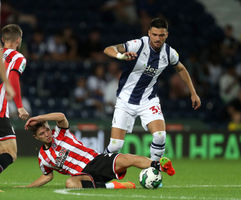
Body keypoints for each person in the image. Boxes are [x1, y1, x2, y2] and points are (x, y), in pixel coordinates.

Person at [103, 18, 201, 161]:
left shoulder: (169, 53)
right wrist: (121, 56)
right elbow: (108, 49)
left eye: (161, 35)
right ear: (149, 33)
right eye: (154, 34)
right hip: (125, 100)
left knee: (160, 136)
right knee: (115, 146)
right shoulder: (138, 45)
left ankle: (155, 170)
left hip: (148, 100)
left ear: (166, 35)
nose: (157, 38)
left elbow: (180, 68)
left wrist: (193, 93)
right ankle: (98, 169)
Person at [23, 112, 175, 189]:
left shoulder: (60, 133)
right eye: (42, 134)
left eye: (47, 130)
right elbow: (47, 176)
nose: (47, 134)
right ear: (36, 138)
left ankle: (159, 166)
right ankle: (115, 186)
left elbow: (61, 116)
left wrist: (38, 117)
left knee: (128, 158)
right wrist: (27, 187)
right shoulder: (43, 157)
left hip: (97, 160)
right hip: (84, 175)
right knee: (70, 183)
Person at [0, 24, 29, 174]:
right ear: (18, 40)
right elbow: (12, 78)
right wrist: (19, 106)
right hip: (0, 111)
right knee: (10, 153)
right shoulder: (18, 57)